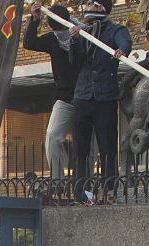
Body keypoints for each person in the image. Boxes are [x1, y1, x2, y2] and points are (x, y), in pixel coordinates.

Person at [68, 0, 131, 203]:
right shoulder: (83, 31)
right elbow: (74, 61)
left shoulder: (116, 30)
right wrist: (74, 41)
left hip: (105, 97)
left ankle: (109, 190)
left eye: (92, 4)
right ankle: (82, 192)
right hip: (83, 96)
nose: (87, 7)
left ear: (102, 8)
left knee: (107, 146)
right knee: (80, 148)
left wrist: (122, 50)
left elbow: (125, 43)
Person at [24, 3, 86, 180]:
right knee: (52, 136)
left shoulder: (81, 35)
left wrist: (76, 37)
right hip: (64, 97)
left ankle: (84, 183)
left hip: (86, 96)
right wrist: (35, 20)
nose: (60, 35)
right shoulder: (51, 39)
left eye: (61, 31)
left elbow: (82, 58)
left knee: (85, 144)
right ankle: (58, 180)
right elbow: (29, 42)